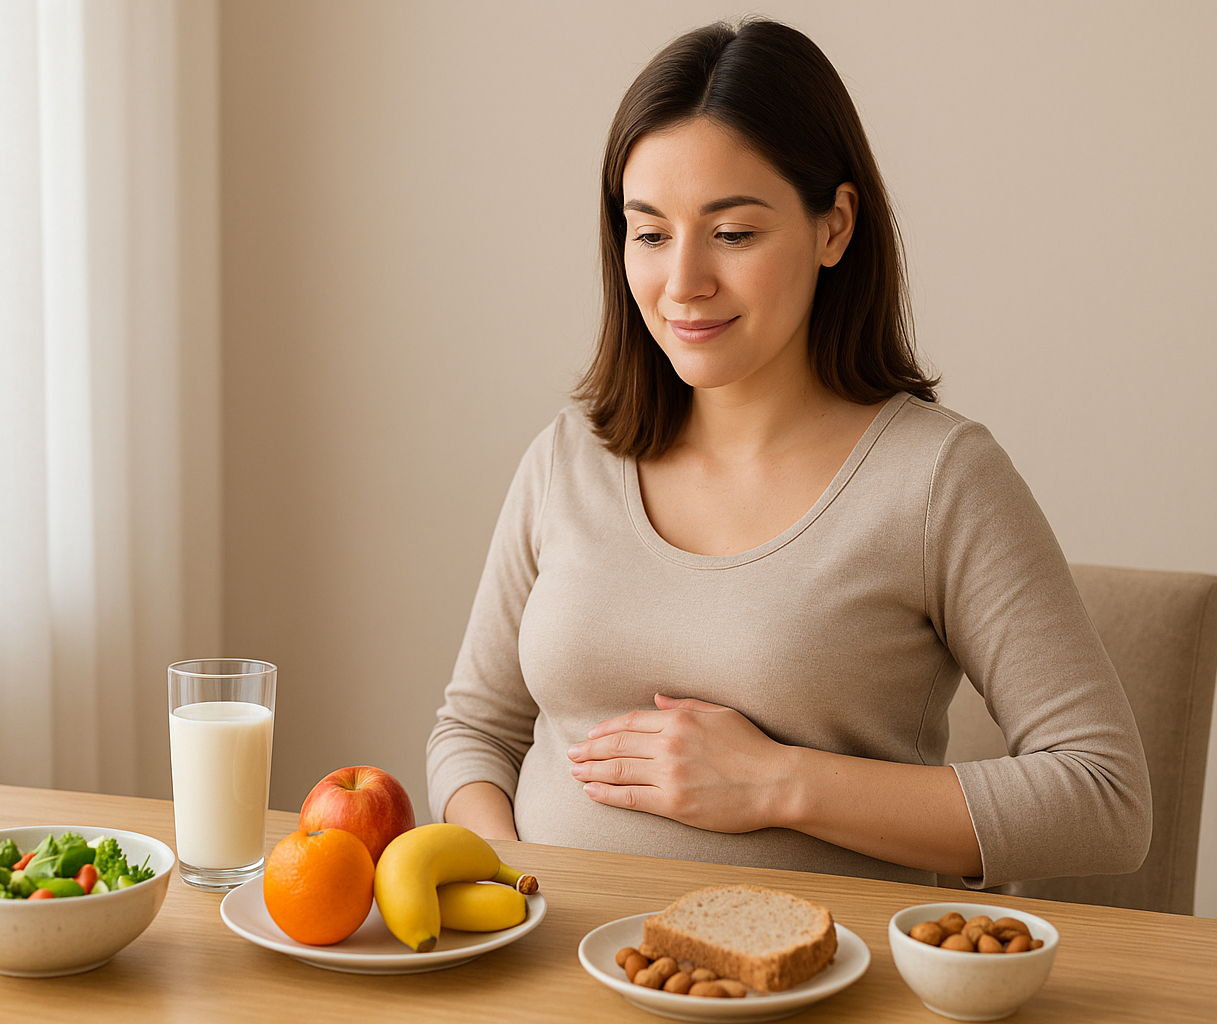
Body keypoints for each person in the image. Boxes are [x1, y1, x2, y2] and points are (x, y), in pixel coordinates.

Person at [425, 19, 1150, 889]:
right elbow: (474, 732)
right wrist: (513, 884)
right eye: (649, 233)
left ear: (834, 227)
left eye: (732, 234)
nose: (683, 282)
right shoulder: (568, 456)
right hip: (555, 971)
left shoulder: (938, 480)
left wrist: (779, 784)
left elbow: (1106, 802)